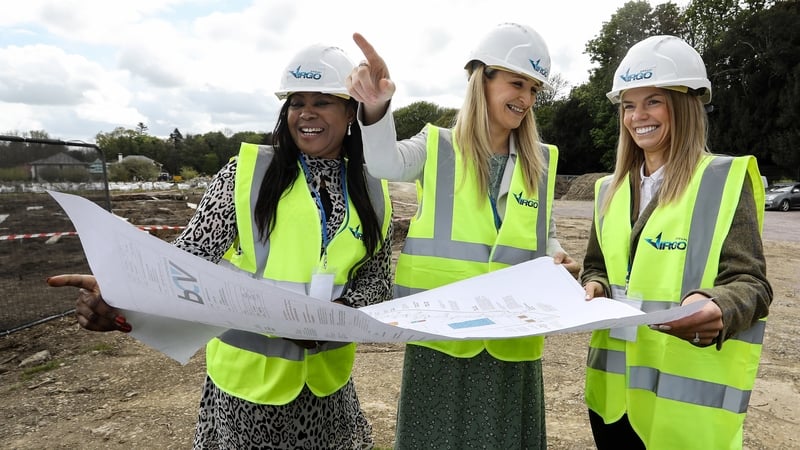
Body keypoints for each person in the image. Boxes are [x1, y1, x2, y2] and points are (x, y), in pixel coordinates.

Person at [47, 43, 394, 450]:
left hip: (327, 384)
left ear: (351, 111)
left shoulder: (371, 187)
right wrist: (120, 297)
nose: (306, 112)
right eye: (296, 102)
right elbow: (186, 261)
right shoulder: (246, 175)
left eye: (323, 101)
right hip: (247, 391)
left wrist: (340, 314)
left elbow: (376, 279)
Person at [347, 23, 580, 449]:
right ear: (481, 79)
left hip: (513, 342)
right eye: (516, 83)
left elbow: (543, 234)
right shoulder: (436, 146)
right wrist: (377, 108)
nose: (525, 98)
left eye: (533, 89)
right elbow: (383, 163)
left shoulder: (540, 162)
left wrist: (559, 256)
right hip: (443, 342)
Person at [580, 35, 772, 449]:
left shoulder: (721, 182)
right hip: (613, 403)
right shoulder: (608, 191)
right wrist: (593, 285)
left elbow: (752, 285)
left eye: (653, 101)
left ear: (685, 104)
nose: (637, 117)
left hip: (684, 411)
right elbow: (597, 266)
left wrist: (717, 305)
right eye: (629, 105)